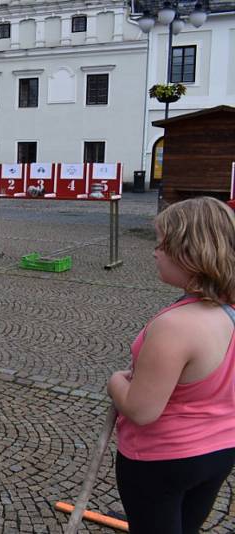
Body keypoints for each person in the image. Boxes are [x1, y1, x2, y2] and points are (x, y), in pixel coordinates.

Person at [107, 196, 235, 534]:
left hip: (164, 458)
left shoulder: (176, 325)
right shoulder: (228, 312)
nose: (154, 252)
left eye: (163, 244)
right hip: (221, 450)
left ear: (191, 253)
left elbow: (142, 409)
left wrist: (116, 381)